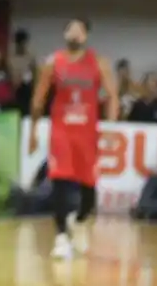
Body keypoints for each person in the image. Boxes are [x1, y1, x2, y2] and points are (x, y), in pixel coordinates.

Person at [28, 18, 119, 261]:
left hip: (87, 134)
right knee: (59, 182)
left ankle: (78, 220)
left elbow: (112, 96)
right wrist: (33, 132)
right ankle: (60, 238)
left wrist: (110, 127)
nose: (74, 32)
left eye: (79, 29)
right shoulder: (52, 62)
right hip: (62, 131)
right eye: (70, 28)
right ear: (64, 33)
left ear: (85, 36)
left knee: (89, 191)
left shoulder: (99, 63)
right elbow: (38, 99)